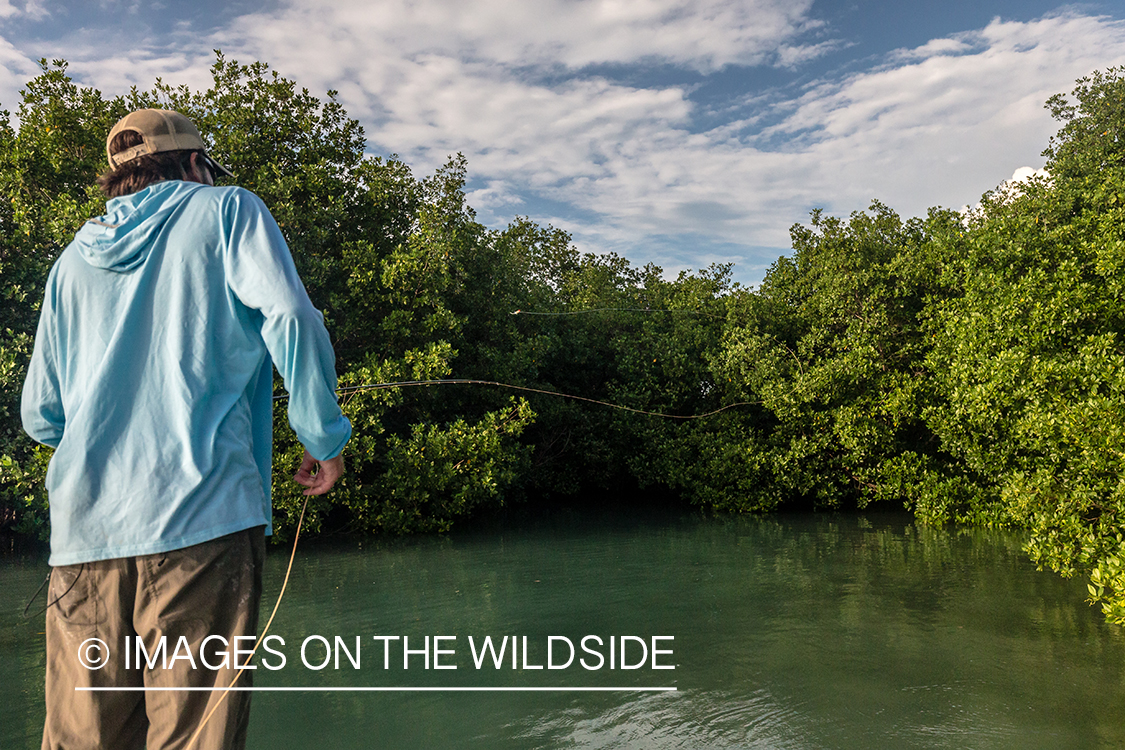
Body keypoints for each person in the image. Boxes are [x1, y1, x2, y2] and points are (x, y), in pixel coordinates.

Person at [21, 108, 352, 750]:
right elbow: (290, 315)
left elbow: (41, 416)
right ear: (196, 164)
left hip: (84, 538)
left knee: (82, 740)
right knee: (193, 736)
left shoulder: (68, 263)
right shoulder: (228, 210)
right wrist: (322, 437)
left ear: (116, 178)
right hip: (202, 523)